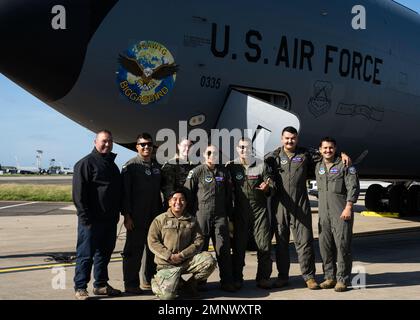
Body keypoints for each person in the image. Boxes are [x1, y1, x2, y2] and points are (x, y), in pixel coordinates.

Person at [265, 126, 351, 290]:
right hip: (280, 205)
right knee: (281, 243)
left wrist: (342, 154)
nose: (290, 141)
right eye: (287, 138)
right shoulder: (273, 157)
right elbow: (264, 170)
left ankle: (309, 277)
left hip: (301, 204)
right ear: (282, 139)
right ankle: (283, 277)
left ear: (297, 139)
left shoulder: (305, 154)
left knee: (304, 242)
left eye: (293, 138)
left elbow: (326, 154)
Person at [72, 130, 122, 300]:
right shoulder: (85, 163)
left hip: (109, 220)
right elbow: (78, 195)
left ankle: (100, 285)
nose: (107, 144)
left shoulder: (112, 166)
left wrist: (116, 215)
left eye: (110, 141)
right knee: (85, 255)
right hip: (91, 221)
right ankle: (80, 287)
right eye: (103, 141)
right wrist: (85, 220)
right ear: (95, 142)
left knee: (104, 254)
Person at [184, 144, 236, 292]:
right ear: (203, 156)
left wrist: (229, 217)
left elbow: (228, 196)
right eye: (209, 153)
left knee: (223, 249)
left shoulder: (223, 172)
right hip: (201, 217)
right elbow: (188, 195)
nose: (212, 155)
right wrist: (189, 218)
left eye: (215, 153)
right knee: (201, 251)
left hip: (220, 218)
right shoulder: (196, 172)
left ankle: (227, 281)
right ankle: (199, 283)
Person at [148, 189, 217, 300]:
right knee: (167, 297)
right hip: (166, 264)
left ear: (186, 203)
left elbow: (198, 241)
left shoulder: (192, 220)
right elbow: (153, 242)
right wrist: (169, 256)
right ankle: (157, 281)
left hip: (185, 261)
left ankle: (189, 285)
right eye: (175, 199)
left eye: (182, 200)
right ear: (169, 202)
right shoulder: (159, 220)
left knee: (209, 261)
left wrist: (182, 255)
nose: (178, 202)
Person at [227, 137, 275, 290]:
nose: (244, 150)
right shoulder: (231, 166)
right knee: (238, 247)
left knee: (264, 245)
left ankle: (263, 278)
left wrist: (267, 187)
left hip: (259, 211)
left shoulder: (261, 165)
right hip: (240, 211)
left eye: (247, 147)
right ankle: (237, 279)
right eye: (241, 147)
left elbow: (271, 183)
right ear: (237, 149)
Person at [315, 137, 360, 292]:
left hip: (341, 211)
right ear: (320, 150)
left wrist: (349, 206)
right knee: (325, 246)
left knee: (342, 246)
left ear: (335, 149)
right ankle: (329, 277)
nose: (328, 151)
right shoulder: (317, 164)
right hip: (323, 213)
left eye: (331, 148)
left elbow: (353, 186)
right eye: (325, 148)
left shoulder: (345, 165)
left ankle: (342, 279)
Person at [121, 132, 163, 294]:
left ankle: (149, 280)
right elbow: (125, 193)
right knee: (134, 251)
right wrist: (127, 216)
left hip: (154, 216)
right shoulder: (130, 166)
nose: (147, 147)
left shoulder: (156, 167)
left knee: (153, 250)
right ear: (137, 147)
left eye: (149, 145)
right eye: (143, 144)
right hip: (136, 217)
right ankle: (131, 284)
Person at [161, 137, 196, 209]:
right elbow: (168, 190)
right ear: (179, 146)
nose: (187, 149)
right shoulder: (170, 165)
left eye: (190, 146)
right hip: (176, 208)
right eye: (184, 146)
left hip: (190, 208)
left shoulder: (194, 167)